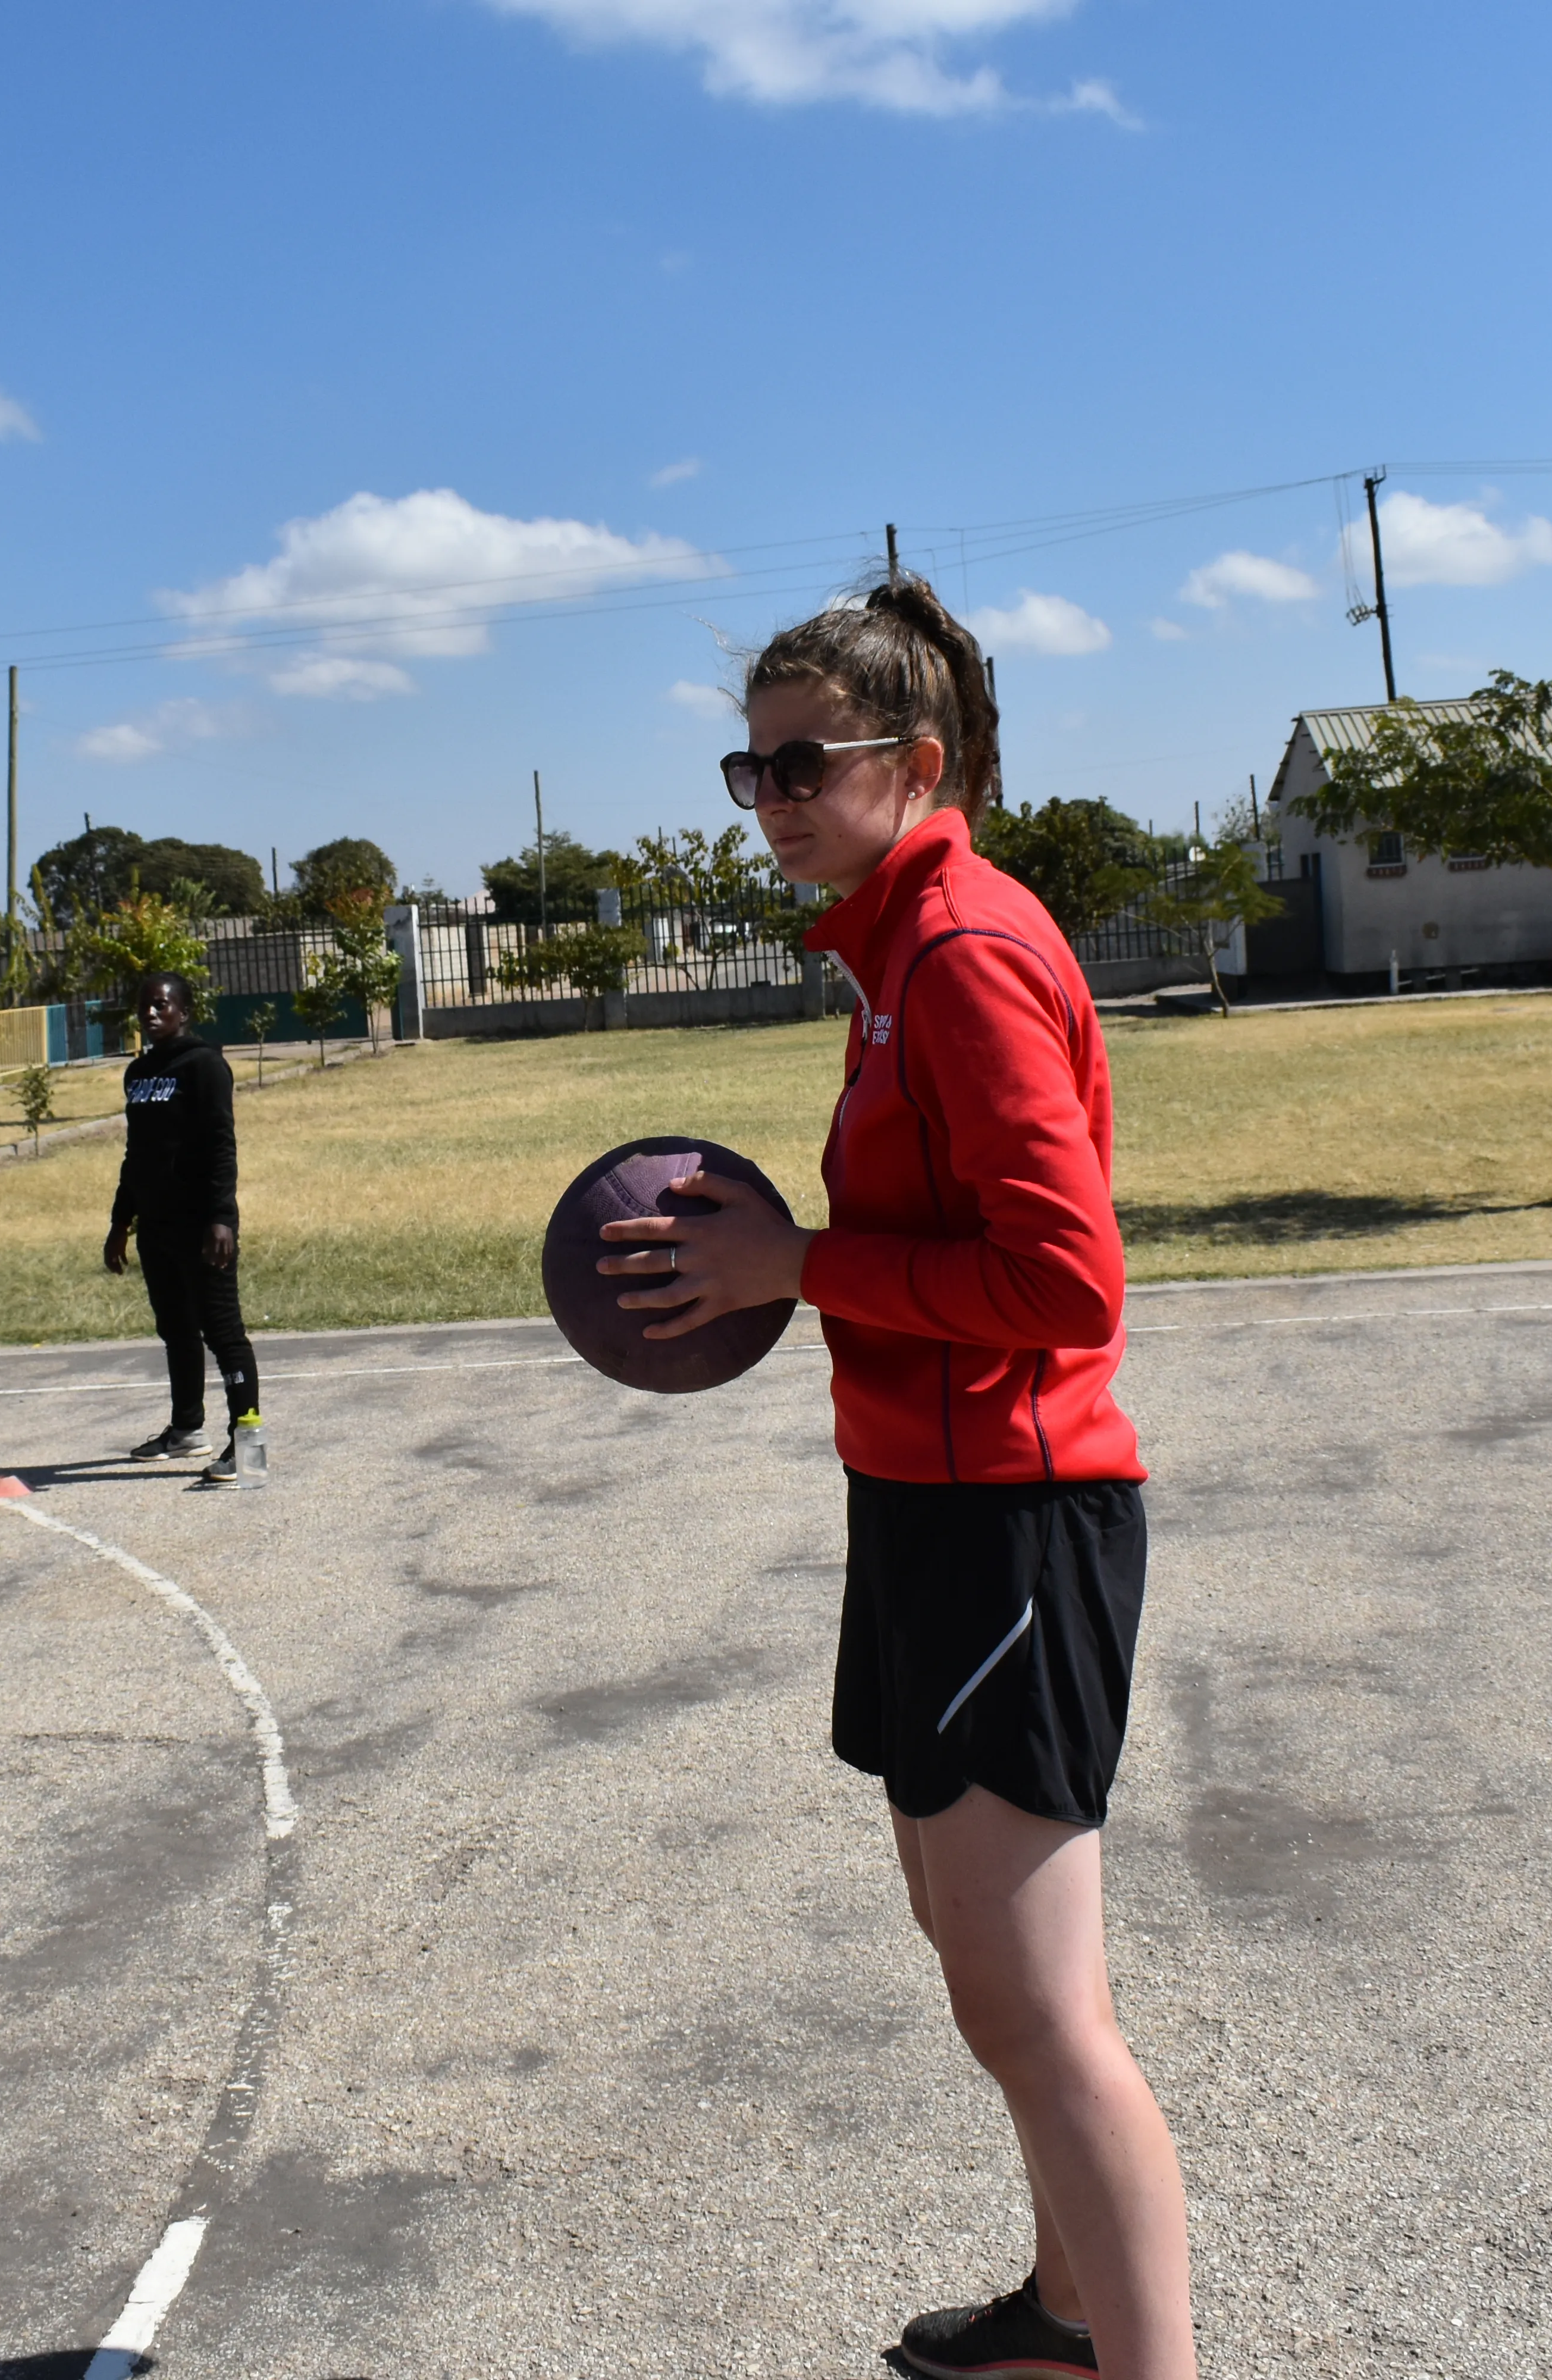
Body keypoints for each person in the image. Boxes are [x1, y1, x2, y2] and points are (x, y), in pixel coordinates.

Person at [594, 572, 1194, 2380]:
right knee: (982, 1968)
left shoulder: (964, 953)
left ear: (914, 762)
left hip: (1015, 1516)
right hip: (926, 1511)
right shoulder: (888, 953)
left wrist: (796, 1265)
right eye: (748, 767)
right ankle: (1062, 2311)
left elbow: (1063, 1282)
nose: (768, 800)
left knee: (1037, 2012)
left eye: (801, 765)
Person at [103, 970, 262, 1482]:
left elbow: (221, 1145)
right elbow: (137, 1155)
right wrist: (120, 1221)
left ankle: (248, 1444)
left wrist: (222, 1218)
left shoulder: (205, 1065)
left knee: (223, 1331)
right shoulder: (138, 1073)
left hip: (200, 1225)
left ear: (183, 1012)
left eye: (162, 1005)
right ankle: (187, 1430)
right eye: (145, 1005)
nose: (151, 1013)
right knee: (176, 1330)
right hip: (157, 1225)